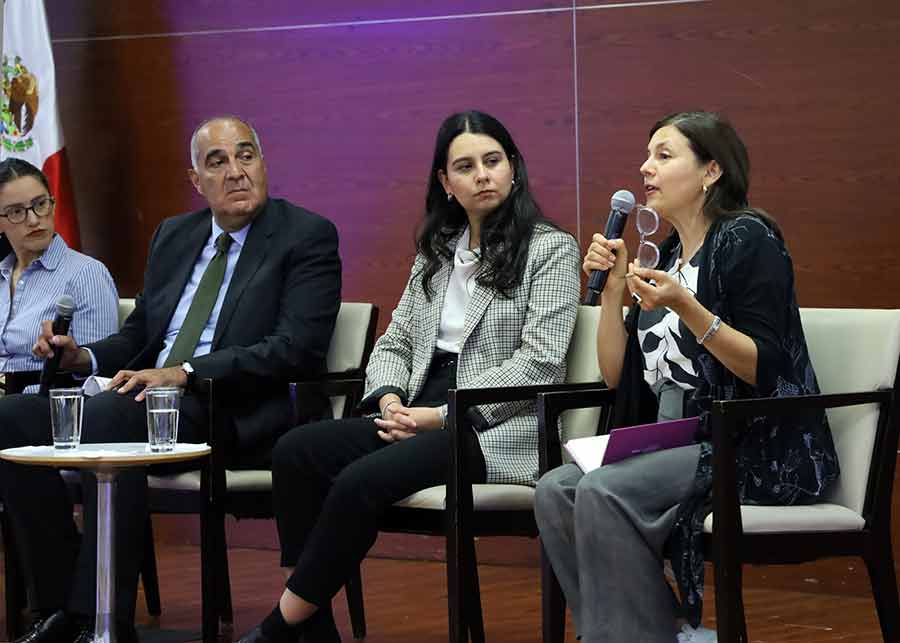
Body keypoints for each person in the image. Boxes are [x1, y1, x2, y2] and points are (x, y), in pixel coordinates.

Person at [235, 110, 581, 643]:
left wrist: (439, 415)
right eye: (465, 167)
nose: (482, 175)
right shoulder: (436, 254)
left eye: (493, 161)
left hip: (494, 424)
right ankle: (314, 630)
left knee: (359, 481)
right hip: (418, 406)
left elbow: (540, 362)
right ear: (445, 182)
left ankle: (278, 627)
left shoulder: (550, 248)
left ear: (513, 168)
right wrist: (391, 399)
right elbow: (395, 341)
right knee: (296, 453)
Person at [0, 116, 342, 643]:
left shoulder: (306, 236)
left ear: (263, 162)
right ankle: (57, 605)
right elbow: (139, 334)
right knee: (9, 419)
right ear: (196, 180)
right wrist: (83, 357)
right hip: (146, 399)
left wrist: (184, 373)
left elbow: (296, 348)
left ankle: (97, 621)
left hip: (231, 408)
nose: (236, 172)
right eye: (217, 162)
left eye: (245, 155)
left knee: (111, 417)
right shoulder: (175, 235)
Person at [534, 111, 840, 643]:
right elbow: (617, 377)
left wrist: (688, 308)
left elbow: (764, 366)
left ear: (711, 171)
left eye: (664, 155)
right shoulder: (669, 255)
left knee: (603, 490)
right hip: (673, 439)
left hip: (749, 445)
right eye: (647, 155)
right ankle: (645, 633)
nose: (644, 167)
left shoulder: (748, 237)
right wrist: (612, 293)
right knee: (556, 489)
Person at [0, 159, 118, 392]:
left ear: (53, 205)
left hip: (39, 402)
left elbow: (98, 380)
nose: (34, 220)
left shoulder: (86, 274)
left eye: (40, 204)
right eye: (16, 212)